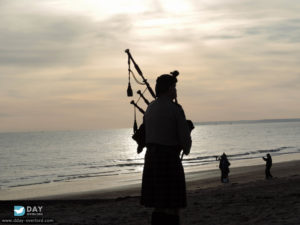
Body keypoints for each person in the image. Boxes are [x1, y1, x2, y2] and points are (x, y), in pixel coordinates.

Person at [141, 74, 192, 225]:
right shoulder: (175, 109)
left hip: (151, 159)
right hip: (169, 160)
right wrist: (186, 143)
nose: (176, 91)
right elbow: (185, 142)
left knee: (159, 205)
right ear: (170, 88)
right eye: (174, 87)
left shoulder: (150, 108)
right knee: (173, 205)